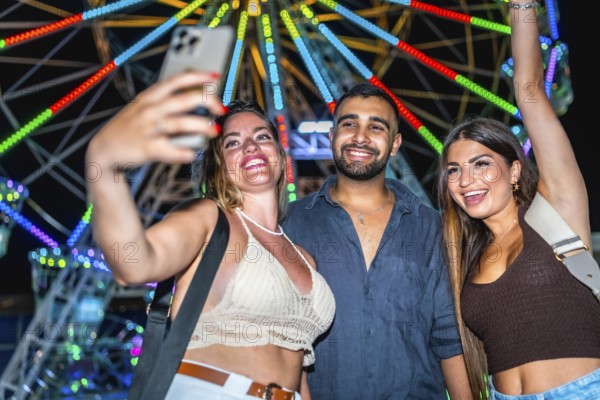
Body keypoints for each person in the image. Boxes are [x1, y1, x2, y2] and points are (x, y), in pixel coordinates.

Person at [85, 72, 335, 400]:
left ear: (279, 153)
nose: (250, 146)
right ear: (218, 166)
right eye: (233, 142)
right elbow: (134, 262)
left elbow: (299, 368)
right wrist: (104, 166)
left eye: (262, 136)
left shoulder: (304, 256)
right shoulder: (208, 218)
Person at [435, 2, 600, 399]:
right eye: (454, 170)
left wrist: (522, 5)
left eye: (481, 164)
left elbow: (529, 90)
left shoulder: (556, 209)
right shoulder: (464, 255)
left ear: (513, 171)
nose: (466, 180)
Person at [281, 83, 472, 399]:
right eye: (349, 124)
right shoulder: (290, 225)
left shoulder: (432, 228)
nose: (360, 136)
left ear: (395, 144)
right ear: (331, 137)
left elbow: (449, 338)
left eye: (376, 127)